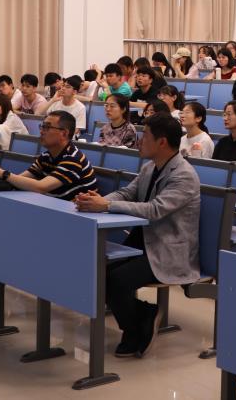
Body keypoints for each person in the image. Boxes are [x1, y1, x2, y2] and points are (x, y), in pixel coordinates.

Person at [74, 113, 200, 358]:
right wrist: (96, 201)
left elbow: (155, 209)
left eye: (146, 136)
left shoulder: (183, 175)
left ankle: (134, 329)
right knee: (99, 270)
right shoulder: (150, 167)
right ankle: (143, 314)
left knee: (118, 280)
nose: (140, 141)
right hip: (143, 242)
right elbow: (126, 194)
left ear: (162, 142)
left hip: (167, 250)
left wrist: (106, 206)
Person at [0, 111, 99, 323]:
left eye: (47, 127)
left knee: (5, 242)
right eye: (42, 126)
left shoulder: (73, 159)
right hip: (52, 218)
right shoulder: (47, 157)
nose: (41, 131)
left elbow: (41, 187)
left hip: (76, 227)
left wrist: (3, 174)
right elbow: (21, 181)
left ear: (64, 133)